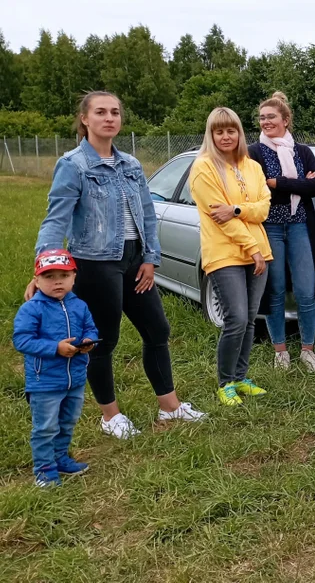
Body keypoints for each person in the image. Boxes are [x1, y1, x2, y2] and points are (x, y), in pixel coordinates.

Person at [31, 91, 205, 439]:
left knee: (157, 331)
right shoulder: (74, 165)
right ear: (85, 119)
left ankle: (170, 407)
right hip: (96, 263)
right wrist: (45, 268)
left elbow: (146, 213)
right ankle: (110, 416)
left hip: (135, 261)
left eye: (114, 112)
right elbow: (56, 219)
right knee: (102, 340)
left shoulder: (131, 164)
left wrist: (150, 259)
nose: (109, 118)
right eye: (100, 112)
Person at [189, 107, 273, 406]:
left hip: (259, 252)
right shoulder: (203, 167)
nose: (226, 136)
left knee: (250, 318)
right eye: (219, 131)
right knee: (236, 318)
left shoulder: (252, 167)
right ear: (210, 135)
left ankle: (241, 377)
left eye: (231, 130)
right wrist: (251, 246)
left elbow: (263, 208)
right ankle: (225, 382)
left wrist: (237, 208)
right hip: (225, 253)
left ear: (239, 133)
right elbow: (218, 217)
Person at [248, 92, 315, 373]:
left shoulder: (302, 151)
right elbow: (256, 189)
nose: (265, 121)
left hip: (300, 225)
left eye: (271, 116)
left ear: (286, 119)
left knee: (306, 290)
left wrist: (276, 182)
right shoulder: (253, 152)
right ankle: (280, 351)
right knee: (276, 290)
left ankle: (307, 350)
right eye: (262, 117)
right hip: (269, 227)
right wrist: (295, 183)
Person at [14, 250, 98, 487]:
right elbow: (22, 340)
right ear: (37, 280)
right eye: (49, 276)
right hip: (45, 382)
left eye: (63, 275)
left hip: (76, 378)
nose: (57, 281)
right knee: (46, 426)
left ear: (74, 277)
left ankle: (60, 457)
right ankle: (44, 468)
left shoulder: (79, 305)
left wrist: (88, 341)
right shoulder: (32, 309)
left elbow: (91, 328)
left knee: (68, 420)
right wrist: (55, 348)